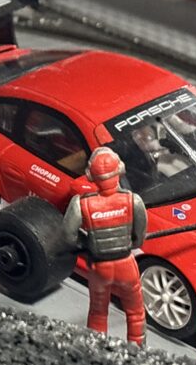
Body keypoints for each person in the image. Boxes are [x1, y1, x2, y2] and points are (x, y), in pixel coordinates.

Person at [62, 147, 148, 345]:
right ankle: (137, 351)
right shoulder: (133, 201)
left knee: (98, 311)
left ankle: (97, 350)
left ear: (90, 175)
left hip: (99, 267)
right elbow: (139, 239)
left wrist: (88, 244)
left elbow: (68, 235)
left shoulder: (80, 204)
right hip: (126, 265)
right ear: (120, 169)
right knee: (135, 312)